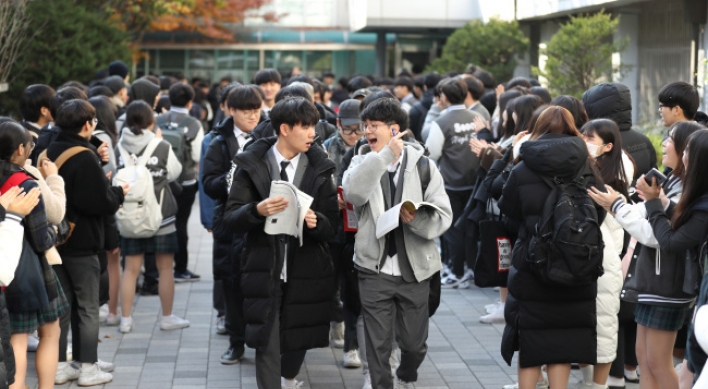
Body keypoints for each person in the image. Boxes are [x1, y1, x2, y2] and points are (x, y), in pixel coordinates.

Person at [223, 96, 338, 389]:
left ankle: (288, 378)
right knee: (267, 340)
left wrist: (316, 222)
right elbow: (231, 217)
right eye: (306, 126)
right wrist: (256, 210)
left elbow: (330, 226)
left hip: (306, 266)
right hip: (264, 265)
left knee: (298, 334)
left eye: (314, 126)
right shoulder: (251, 164)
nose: (313, 133)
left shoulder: (320, 167)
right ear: (284, 129)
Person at [587, 121, 706, 389]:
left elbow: (657, 235)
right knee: (644, 358)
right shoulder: (673, 181)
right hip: (653, 281)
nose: (664, 143)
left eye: (672, 140)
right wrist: (624, 204)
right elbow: (648, 216)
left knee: (657, 362)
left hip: (668, 285)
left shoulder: (688, 191)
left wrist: (617, 204)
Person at [343, 98, 452, 389]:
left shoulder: (424, 166)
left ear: (395, 129)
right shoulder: (360, 160)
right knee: (378, 346)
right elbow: (353, 194)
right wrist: (380, 158)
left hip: (415, 269)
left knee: (414, 345)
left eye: (373, 125)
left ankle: (406, 374)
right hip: (372, 268)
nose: (367, 131)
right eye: (365, 125)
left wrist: (414, 218)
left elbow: (444, 214)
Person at [498, 106, 606, 389]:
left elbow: (508, 213)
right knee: (563, 342)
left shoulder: (522, 167)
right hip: (576, 264)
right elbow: (600, 213)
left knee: (532, 341)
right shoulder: (588, 166)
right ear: (572, 129)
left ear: (538, 128)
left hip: (533, 264)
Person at [46, 100, 127, 387]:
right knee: (89, 307)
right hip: (82, 242)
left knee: (63, 307)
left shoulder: (50, 149)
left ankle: (61, 365)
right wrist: (118, 192)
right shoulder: (84, 157)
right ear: (87, 125)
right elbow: (100, 202)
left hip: (55, 241)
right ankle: (89, 369)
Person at [0, 120, 70, 389]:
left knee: (14, 337)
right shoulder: (25, 183)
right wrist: (55, 231)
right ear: (20, 149)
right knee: (50, 332)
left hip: (4, 271)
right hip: (29, 272)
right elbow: (41, 240)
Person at [115, 101, 188, 334]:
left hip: (130, 215)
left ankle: (125, 320)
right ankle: (167, 317)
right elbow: (176, 172)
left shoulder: (119, 147)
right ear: (151, 121)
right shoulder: (162, 145)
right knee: (165, 268)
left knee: (130, 269)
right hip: (161, 214)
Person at [202, 85, 262, 365]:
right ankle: (236, 343)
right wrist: (232, 175)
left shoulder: (268, 135)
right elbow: (209, 184)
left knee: (261, 281)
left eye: (257, 110)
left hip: (261, 220)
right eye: (247, 111)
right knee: (231, 282)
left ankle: (264, 342)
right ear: (231, 110)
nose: (253, 116)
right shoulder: (219, 141)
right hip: (229, 221)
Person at [576, 119, 635, 389]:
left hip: (604, 265)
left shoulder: (612, 184)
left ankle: (597, 384)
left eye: (590, 137)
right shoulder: (582, 170)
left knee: (604, 329)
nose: (584, 140)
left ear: (608, 146)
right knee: (588, 327)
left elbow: (617, 233)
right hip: (588, 262)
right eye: (582, 135)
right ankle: (588, 381)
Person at [426, 78, 484, 288]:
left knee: (452, 228)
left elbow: (432, 151)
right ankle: (470, 269)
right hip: (476, 181)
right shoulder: (478, 117)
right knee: (471, 228)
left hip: (451, 182)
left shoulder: (441, 121)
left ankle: (456, 271)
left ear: (444, 97)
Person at [323, 98, 366, 367]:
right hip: (330, 229)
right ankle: (335, 318)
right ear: (337, 124)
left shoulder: (369, 149)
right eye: (348, 129)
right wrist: (330, 198)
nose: (354, 135)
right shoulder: (325, 149)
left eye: (359, 129)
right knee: (328, 286)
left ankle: (352, 346)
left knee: (353, 290)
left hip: (359, 231)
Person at [157, 83, 205, 282]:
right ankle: (181, 269)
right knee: (181, 223)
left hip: (159, 179)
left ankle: (157, 270)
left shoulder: (157, 119)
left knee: (159, 223)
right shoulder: (193, 123)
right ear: (190, 101)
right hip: (185, 181)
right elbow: (196, 154)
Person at [582, 82, 656, 183]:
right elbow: (654, 178)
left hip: (610, 198)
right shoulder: (644, 140)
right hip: (642, 198)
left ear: (596, 109)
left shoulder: (598, 144)